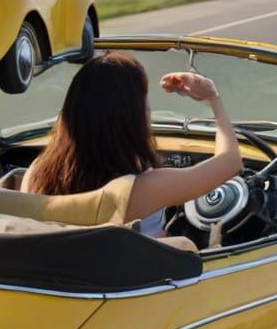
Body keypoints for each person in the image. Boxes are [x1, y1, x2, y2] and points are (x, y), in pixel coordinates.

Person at [21, 52, 241, 236]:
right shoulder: (140, 190)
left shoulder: (37, 172)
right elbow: (230, 162)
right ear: (132, 116)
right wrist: (213, 98)